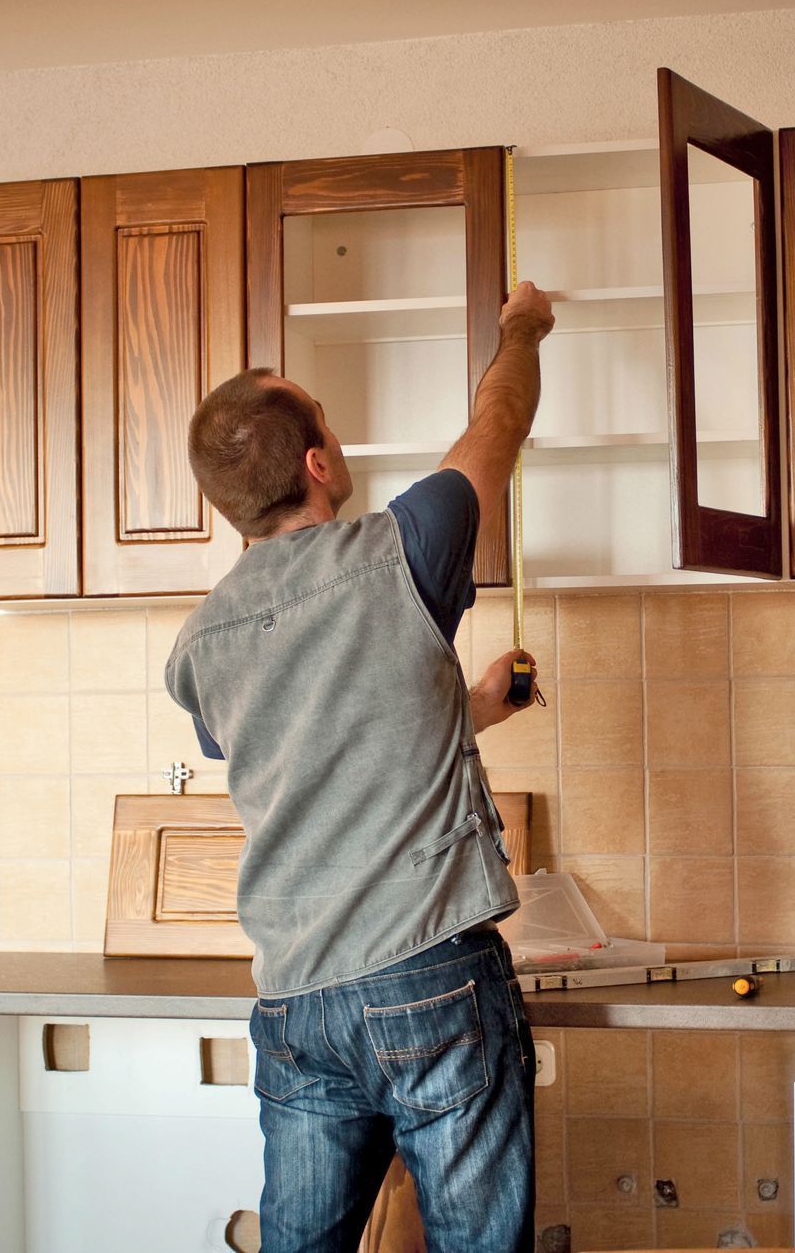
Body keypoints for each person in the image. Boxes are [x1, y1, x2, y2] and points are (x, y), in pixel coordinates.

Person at [165, 281, 557, 1253]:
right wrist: (523, 328)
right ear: (318, 461)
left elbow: (315, 748)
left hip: (299, 1003)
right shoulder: (407, 548)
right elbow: (499, 421)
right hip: (432, 977)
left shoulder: (198, 650)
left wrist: (467, 711)